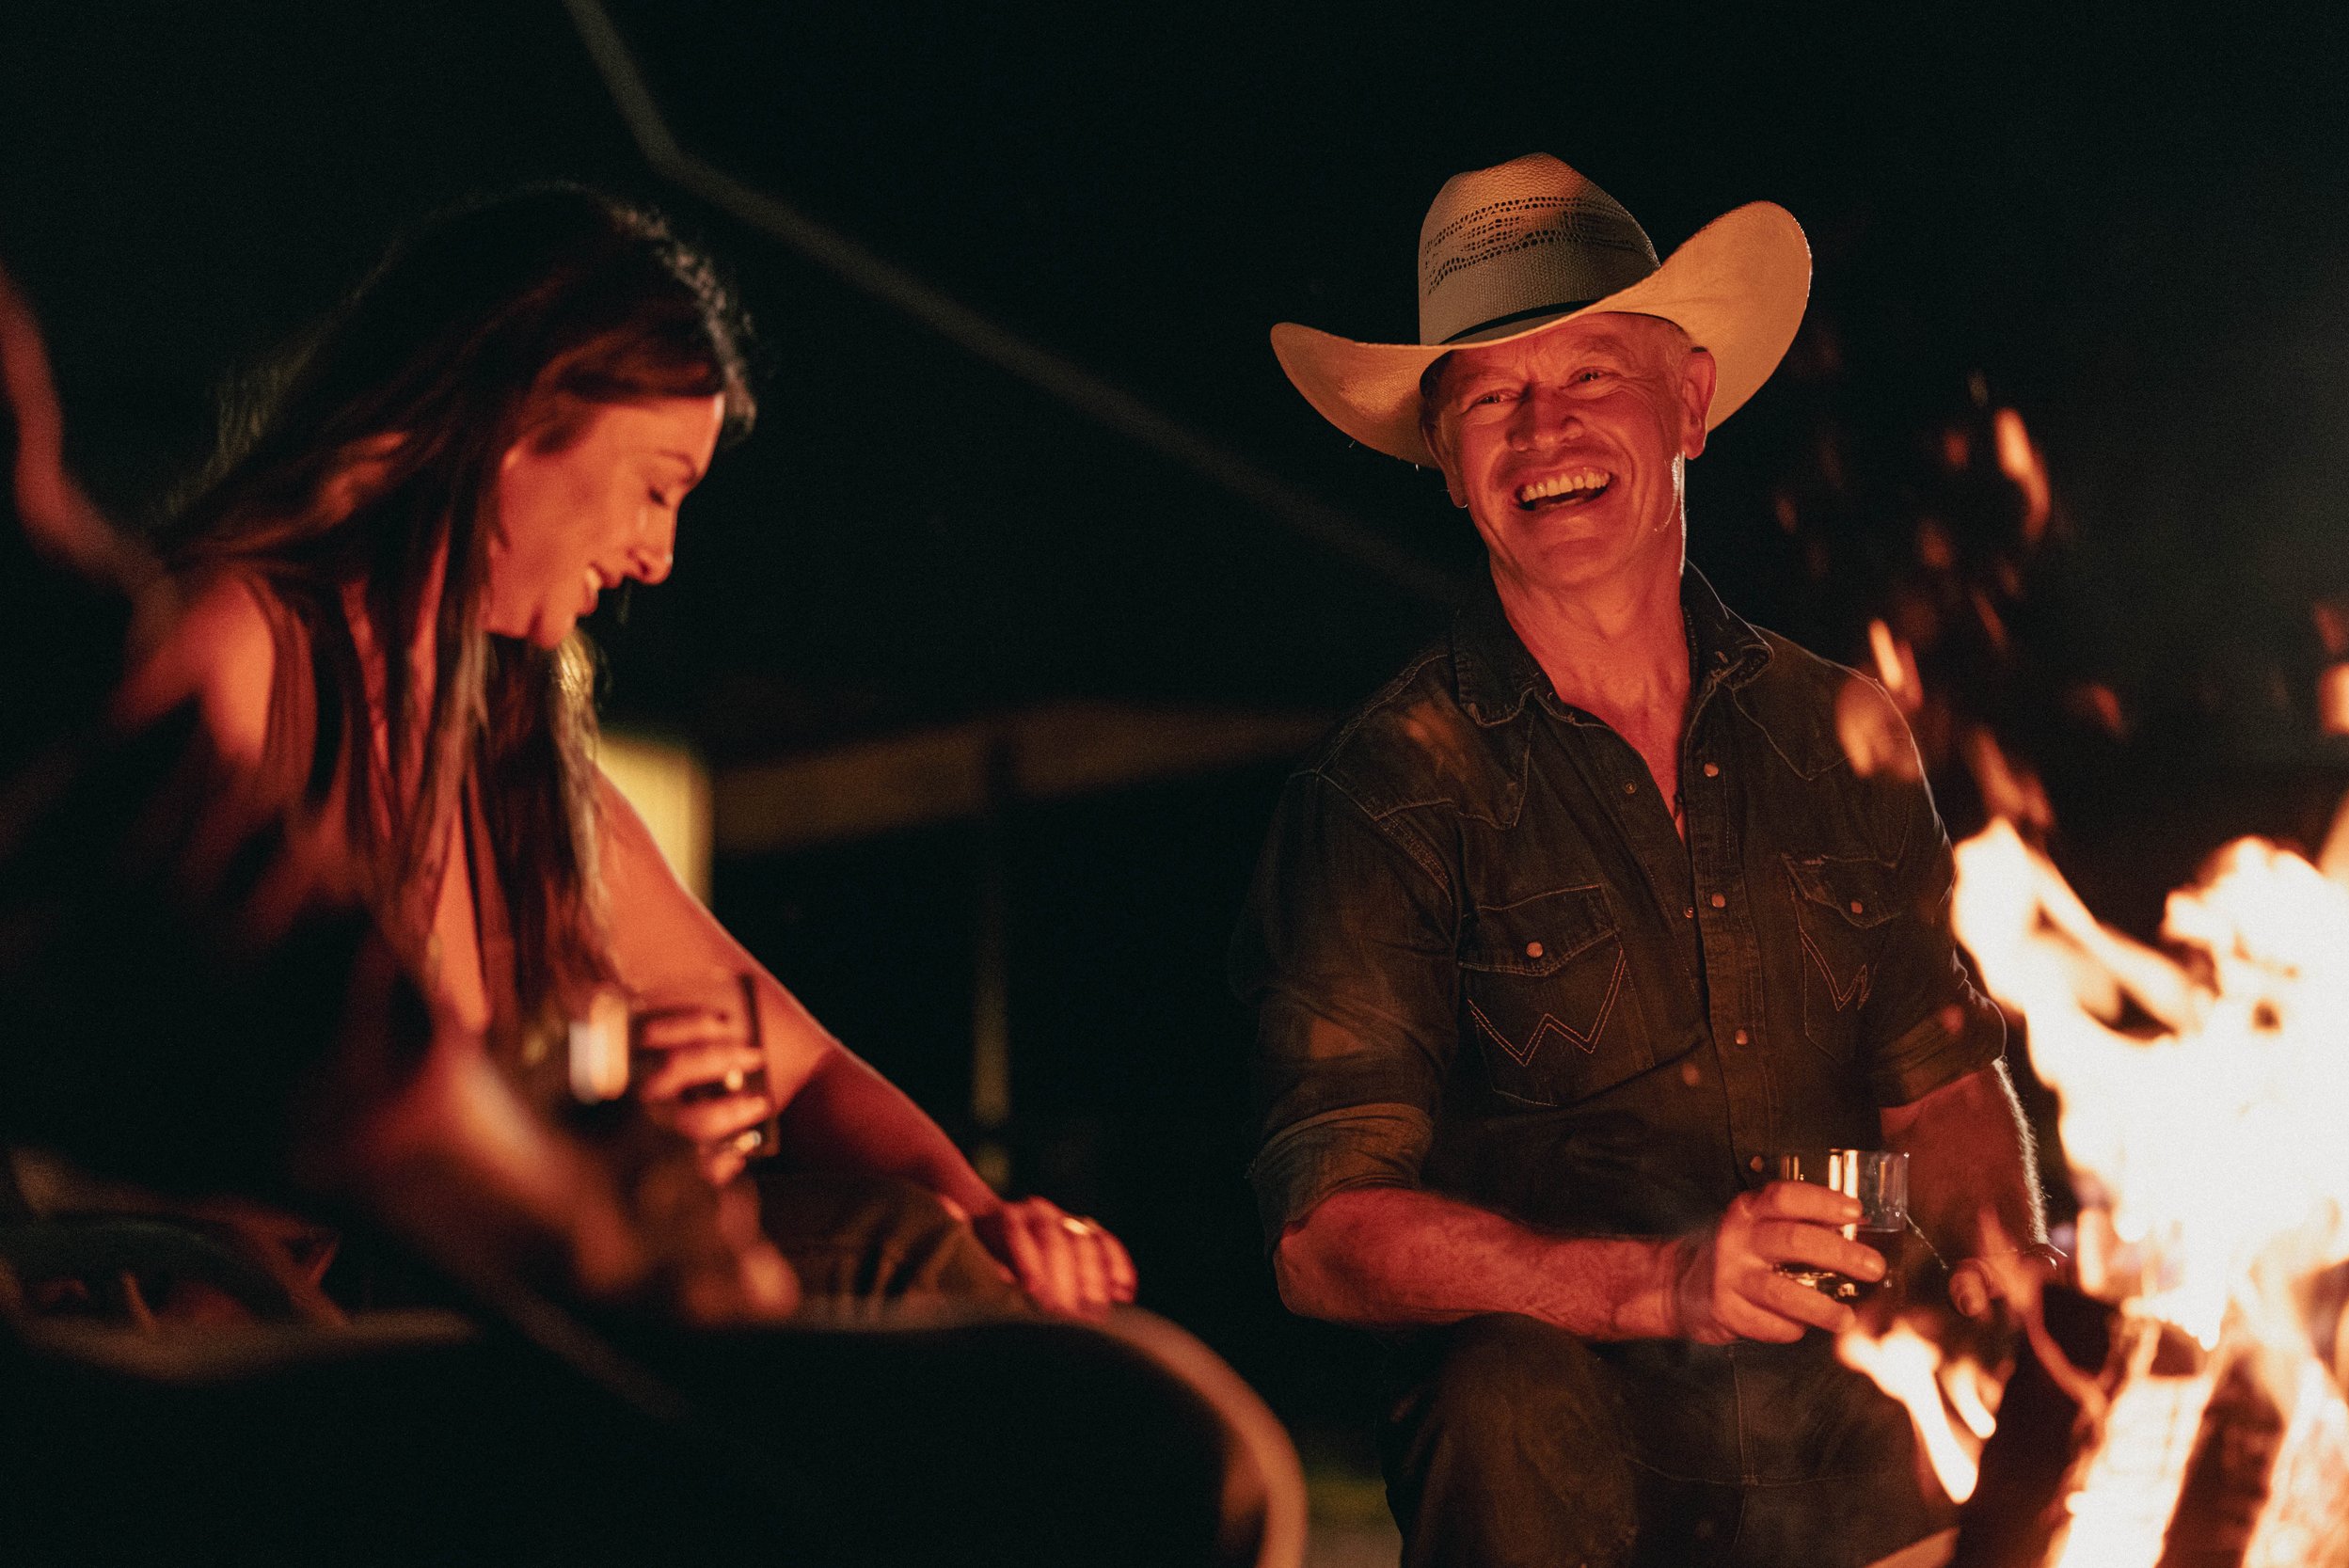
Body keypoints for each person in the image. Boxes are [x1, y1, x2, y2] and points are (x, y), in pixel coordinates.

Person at [1234, 154, 2055, 1568]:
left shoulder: (1838, 727)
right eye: (1489, 394)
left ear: (1688, 399)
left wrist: (2018, 1315)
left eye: (1589, 375)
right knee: (1497, 1388)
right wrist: (1661, 1284)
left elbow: (1943, 1083)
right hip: (1568, 1473)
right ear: (1446, 456)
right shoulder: (1383, 788)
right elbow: (1325, 1233)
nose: (1541, 426)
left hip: (1869, 1438)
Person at [115, 185, 1135, 1321]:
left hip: (487, 1300)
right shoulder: (240, 654)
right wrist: (562, 1134)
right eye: (658, 488)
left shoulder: (521, 771)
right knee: (890, 1266)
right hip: (271, 1321)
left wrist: (995, 1223)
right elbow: (138, 1051)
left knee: (941, 1257)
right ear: (512, 422)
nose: (658, 556)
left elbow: (798, 1065)